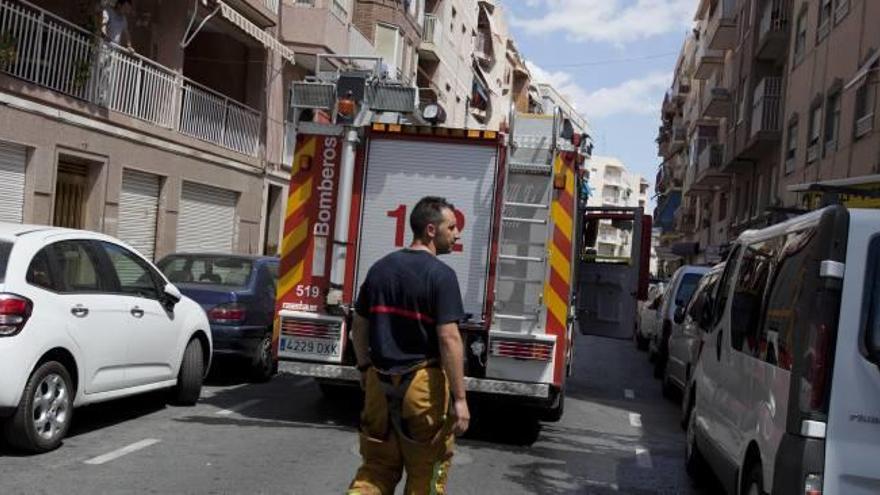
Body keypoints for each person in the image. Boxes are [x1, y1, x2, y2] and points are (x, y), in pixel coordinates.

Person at [348, 196, 470, 495]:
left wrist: (364, 367)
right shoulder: (441, 276)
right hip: (422, 387)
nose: (457, 234)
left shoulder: (379, 269)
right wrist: (459, 398)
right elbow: (449, 338)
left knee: (376, 470)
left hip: (379, 383)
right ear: (431, 230)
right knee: (426, 472)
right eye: (452, 227)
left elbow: (359, 325)